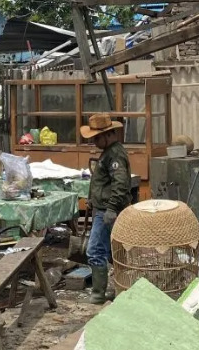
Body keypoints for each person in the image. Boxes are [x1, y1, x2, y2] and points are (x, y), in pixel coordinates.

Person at [82, 113, 132, 304]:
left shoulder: (115, 154)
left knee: (95, 251)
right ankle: (122, 288)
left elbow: (120, 184)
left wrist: (110, 208)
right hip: (103, 208)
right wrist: (92, 199)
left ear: (107, 135)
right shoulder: (111, 152)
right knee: (115, 252)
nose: (94, 141)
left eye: (96, 138)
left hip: (107, 211)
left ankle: (97, 295)